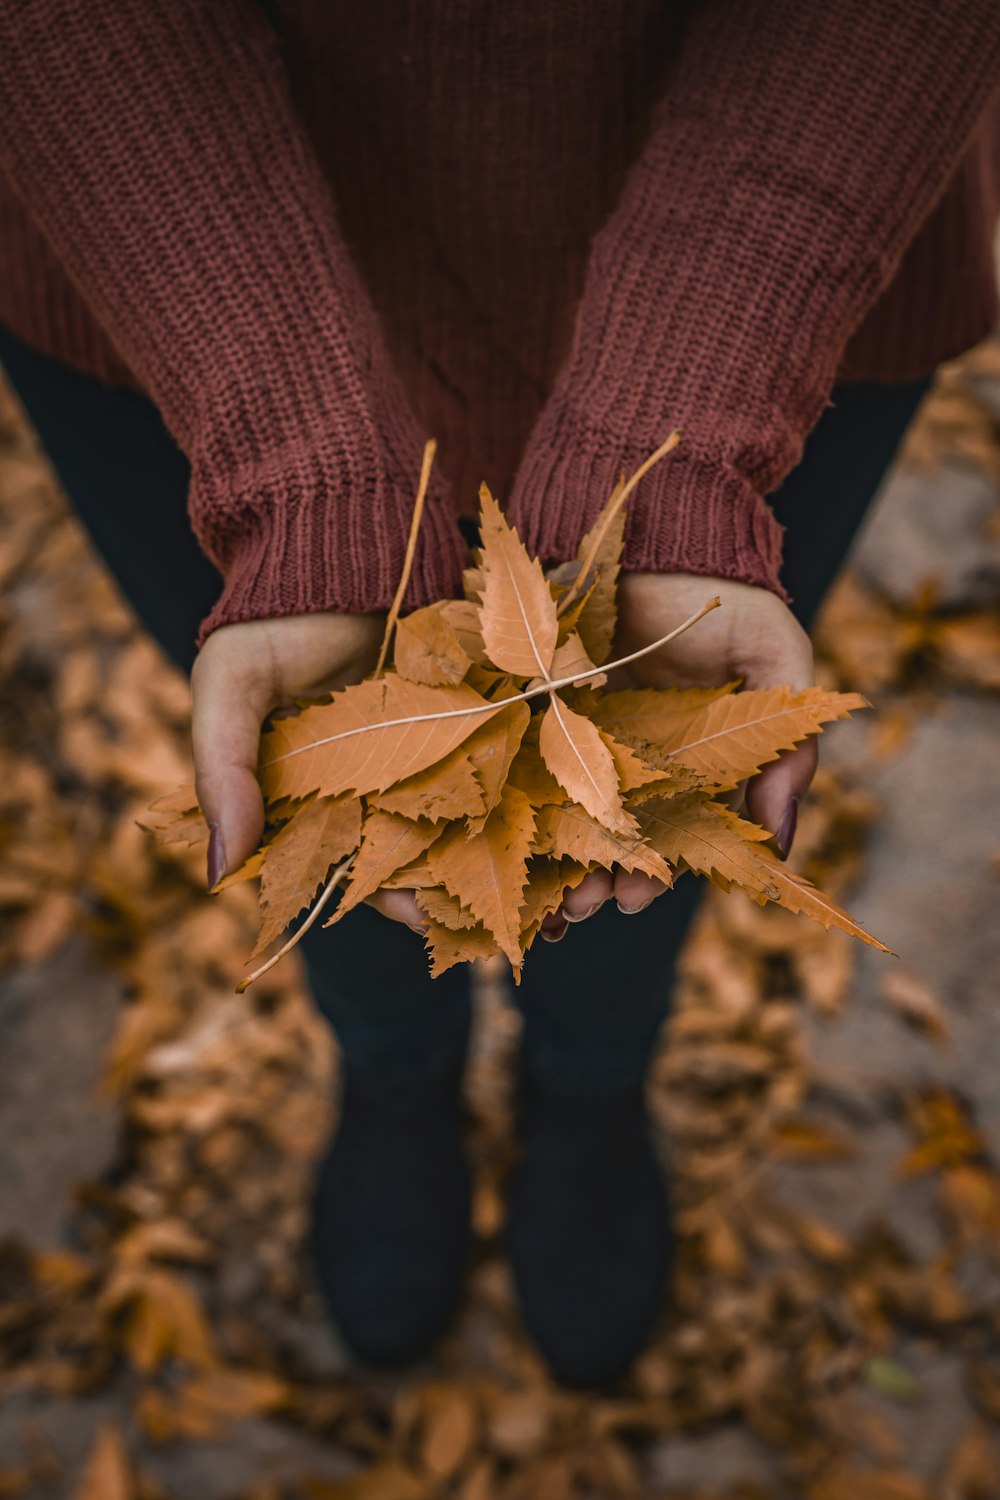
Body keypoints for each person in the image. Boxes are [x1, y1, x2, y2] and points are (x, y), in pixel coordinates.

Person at [1, 2, 997, 1389]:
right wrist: (296, 458)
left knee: (643, 799)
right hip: (167, 271)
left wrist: (675, 432)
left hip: (781, 261)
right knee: (325, 797)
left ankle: (589, 1086)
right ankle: (392, 1067)